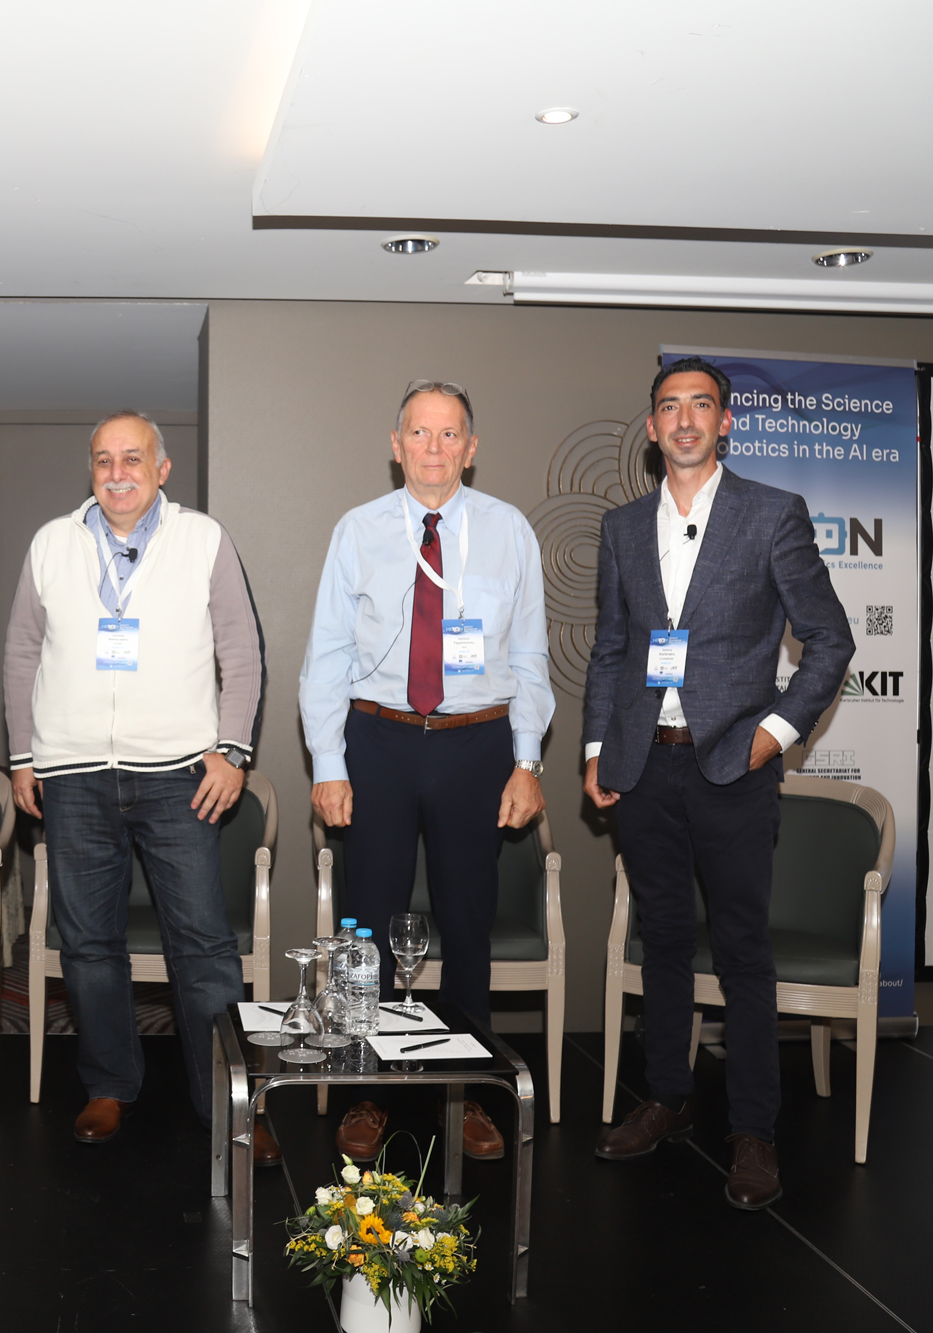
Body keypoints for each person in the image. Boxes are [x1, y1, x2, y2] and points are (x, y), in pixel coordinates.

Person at [584, 356, 852, 1209]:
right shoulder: (623, 526)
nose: (686, 419)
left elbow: (831, 639)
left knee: (741, 948)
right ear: (653, 427)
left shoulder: (772, 512)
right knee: (663, 938)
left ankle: (754, 1131)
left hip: (733, 763)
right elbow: (612, 649)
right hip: (643, 765)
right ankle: (667, 1095)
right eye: (670, 406)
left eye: (701, 404)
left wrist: (774, 735)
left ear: (725, 421)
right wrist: (597, 746)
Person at [298, 379, 552, 1165]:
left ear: (471, 449)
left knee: (468, 925)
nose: (433, 448)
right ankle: (366, 1088)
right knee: (365, 927)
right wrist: (330, 761)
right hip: (378, 739)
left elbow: (530, 655)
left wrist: (527, 760)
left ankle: (466, 1090)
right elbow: (327, 653)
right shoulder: (358, 529)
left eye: (449, 435)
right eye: (419, 432)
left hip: (477, 744)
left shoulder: (510, 531)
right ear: (395, 443)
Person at [5, 411, 265, 1145]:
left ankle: (229, 1105)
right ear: (90, 469)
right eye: (103, 460)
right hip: (73, 774)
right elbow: (22, 651)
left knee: (203, 946)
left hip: (181, 774)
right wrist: (22, 756)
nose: (117, 473)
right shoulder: (52, 543)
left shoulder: (202, 538)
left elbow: (241, 650)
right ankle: (109, 1085)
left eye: (132, 458)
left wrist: (233, 750)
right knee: (88, 946)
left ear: (162, 468)